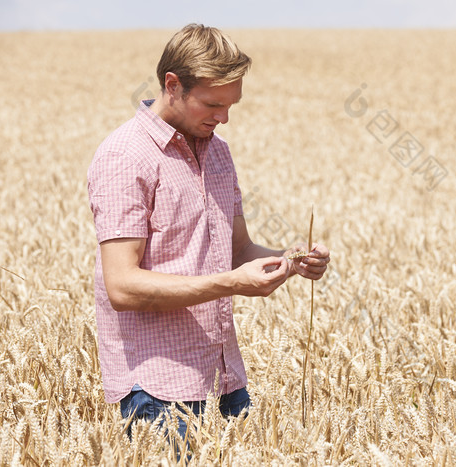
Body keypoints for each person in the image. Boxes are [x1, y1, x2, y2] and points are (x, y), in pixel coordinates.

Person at [86, 23, 330, 445]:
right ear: (173, 85)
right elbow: (121, 286)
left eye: (232, 104)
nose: (224, 117)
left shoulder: (217, 150)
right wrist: (233, 284)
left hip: (223, 377)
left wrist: (293, 261)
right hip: (157, 388)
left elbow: (237, 250)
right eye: (213, 104)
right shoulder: (125, 156)